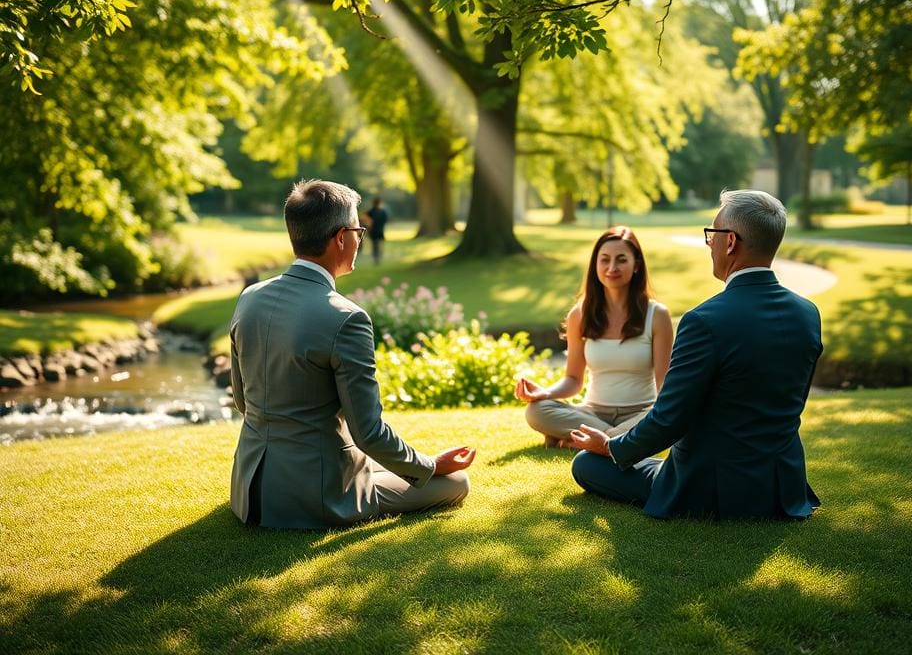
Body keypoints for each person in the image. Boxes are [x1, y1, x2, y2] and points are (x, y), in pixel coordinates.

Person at [229, 179, 475, 529]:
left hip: (251, 488)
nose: (361, 239)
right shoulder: (346, 317)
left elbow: (242, 400)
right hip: (318, 495)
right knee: (455, 483)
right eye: (359, 231)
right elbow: (369, 433)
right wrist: (431, 466)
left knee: (379, 463)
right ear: (342, 238)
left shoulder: (250, 297)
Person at [566, 190, 822, 520]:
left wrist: (610, 446)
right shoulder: (807, 313)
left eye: (711, 235)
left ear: (730, 242)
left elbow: (669, 420)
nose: (709, 244)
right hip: (782, 483)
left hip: (709, 486)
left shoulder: (704, 321)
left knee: (586, 464)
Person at [515, 226, 674, 447]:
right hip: (592, 413)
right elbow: (573, 380)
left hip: (641, 412)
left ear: (636, 265)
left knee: (664, 415)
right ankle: (614, 442)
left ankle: (590, 441)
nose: (612, 268)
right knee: (536, 411)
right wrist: (545, 393)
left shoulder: (657, 315)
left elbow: (665, 384)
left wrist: (661, 415)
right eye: (605, 260)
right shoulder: (579, 315)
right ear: (595, 265)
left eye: (621, 260)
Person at [364, 197, 389, 264]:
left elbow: (366, 219)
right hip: (379, 230)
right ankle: (378, 257)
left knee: (375, 245)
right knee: (379, 245)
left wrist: (369, 225)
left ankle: (376, 258)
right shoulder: (382, 212)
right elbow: (386, 220)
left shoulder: (371, 211)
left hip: (374, 231)